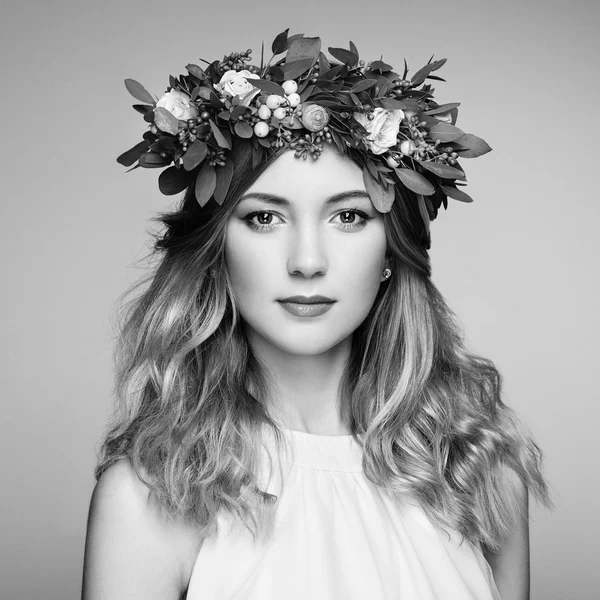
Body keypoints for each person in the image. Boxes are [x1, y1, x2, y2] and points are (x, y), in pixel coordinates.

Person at [82, 30, 551, 600]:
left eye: (349, 217)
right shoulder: (153, 496)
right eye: (264, 219)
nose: (307, 262)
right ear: (216, 252)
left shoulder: (479, 473)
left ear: (390, 251)